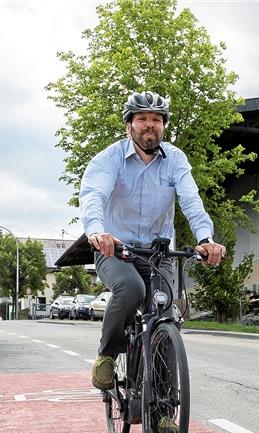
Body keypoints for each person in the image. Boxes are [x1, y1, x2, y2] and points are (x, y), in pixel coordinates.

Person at [79, 90, 227, 392]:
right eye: (142, 119)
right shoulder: (110, 159)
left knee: (164, 318)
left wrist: (206, 238)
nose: (150, 125)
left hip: (158, 254)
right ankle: (106, 355)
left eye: (156, 119)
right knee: (131, 288)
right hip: (115, 250)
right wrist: (97, 232)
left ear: (163, 125)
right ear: (129, 126)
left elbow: (191, 200)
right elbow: (94, 195)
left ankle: (162, 412)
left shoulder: (174, 159)